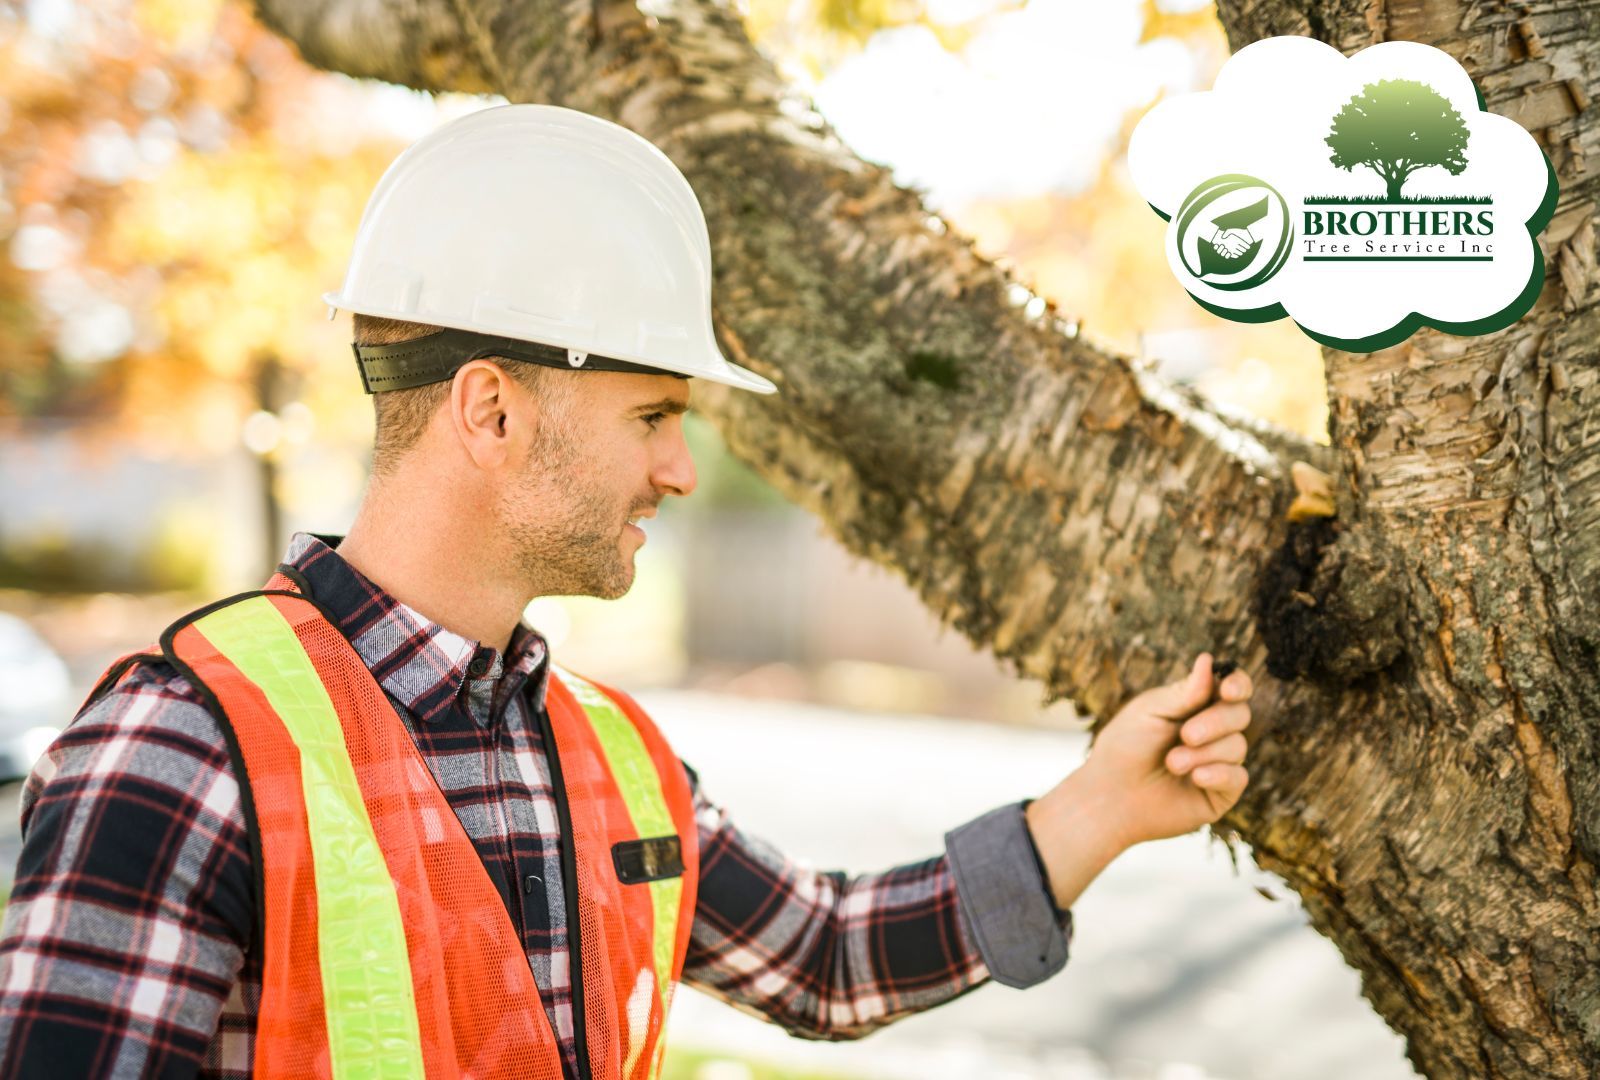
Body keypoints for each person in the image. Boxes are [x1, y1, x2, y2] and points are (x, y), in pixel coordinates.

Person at [0, 104, 1252, 1079]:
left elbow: (822, 958)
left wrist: (1098, 810)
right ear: (490, 408)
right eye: (653, 415)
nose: (680, 469)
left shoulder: (610, 759)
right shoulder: (178, 750)